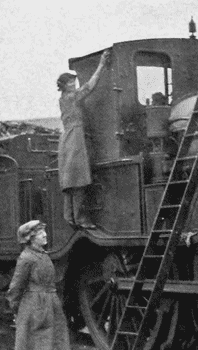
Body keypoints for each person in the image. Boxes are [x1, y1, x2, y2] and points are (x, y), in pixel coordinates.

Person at [6, 220, 71, 350]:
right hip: (35, 308)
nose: (45, 235)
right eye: (41, 233)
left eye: (44, 232)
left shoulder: (42, 255)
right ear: (31, 238)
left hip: (48, 305)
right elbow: (15, 287)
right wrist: (17, 310)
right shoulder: (26, 258)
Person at [56, 49, 110, 229]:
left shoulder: (64, 98)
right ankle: (80, 219)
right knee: (78, 179)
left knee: (70, 180)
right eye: (70, 82)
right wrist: (101, 65)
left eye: (74, 81)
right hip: (75, 139)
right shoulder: (71, 98)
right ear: (64, 85)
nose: (74, 84)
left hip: (69, 138)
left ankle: (70, 216)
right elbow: (90, 86)